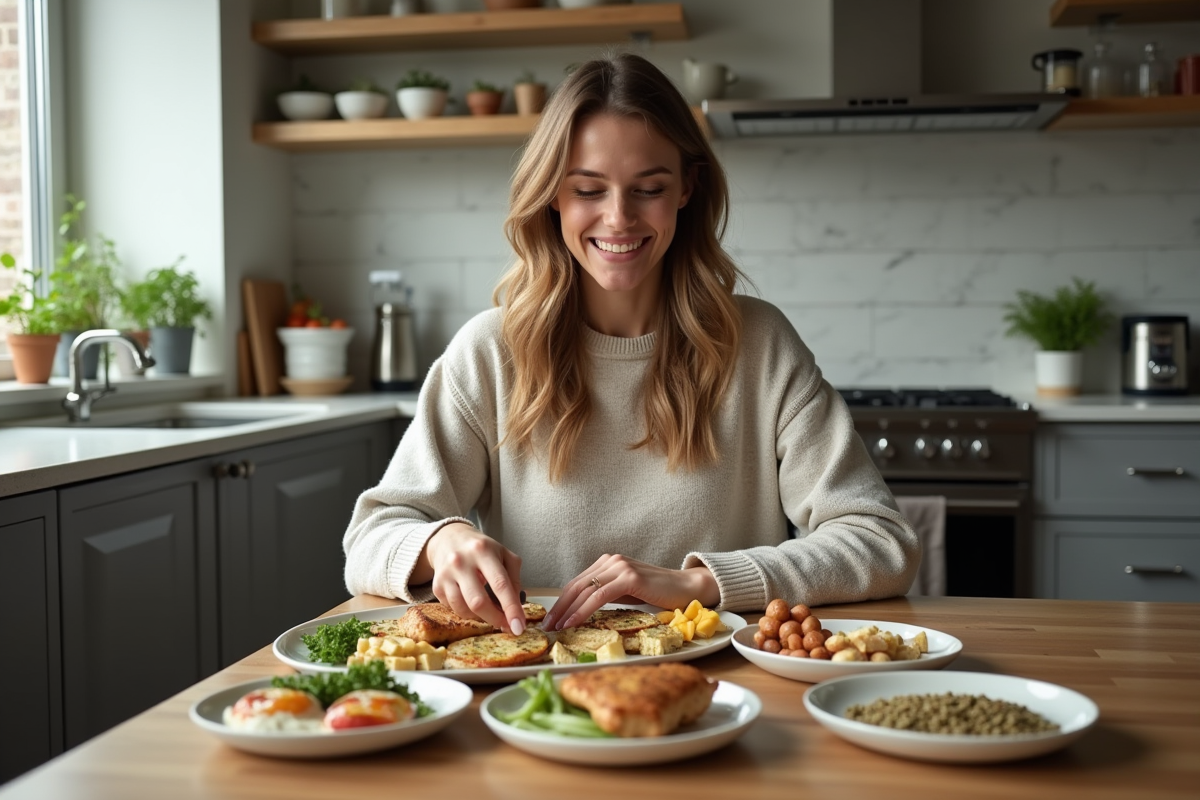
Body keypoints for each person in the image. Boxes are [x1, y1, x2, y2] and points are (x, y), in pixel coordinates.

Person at [343, 53, 919, 636]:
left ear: (687, 188)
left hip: (725, 680)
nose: (618, 218)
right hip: (539, 681)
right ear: (552, 195)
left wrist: (701, 584)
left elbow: (880, 541)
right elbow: (371, 536)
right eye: (587, 189)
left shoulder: (761, 345)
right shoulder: (490, 352)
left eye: (648, 188)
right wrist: (441, 541)